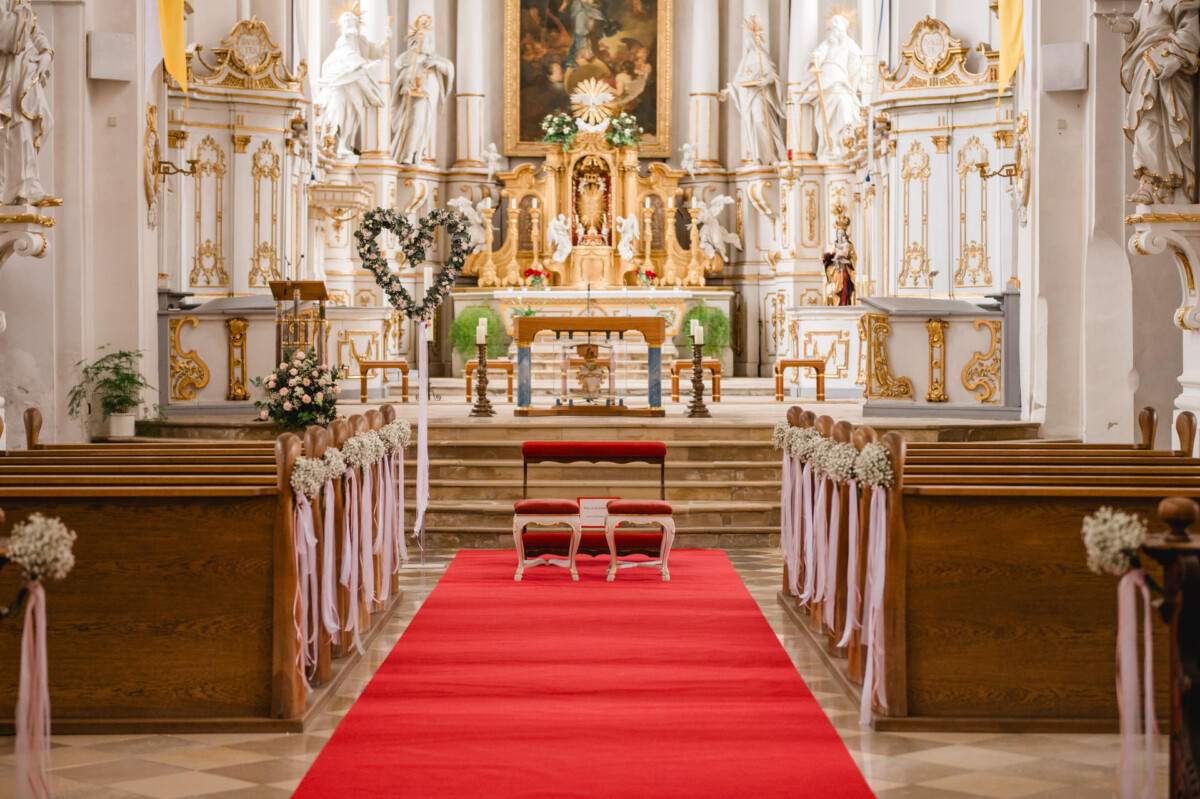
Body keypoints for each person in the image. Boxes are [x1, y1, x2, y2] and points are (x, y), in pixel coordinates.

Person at [1120, 0, 1200, 203]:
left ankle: (1167, 186)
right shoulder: (1146, 3)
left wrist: (1177, 58)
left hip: (1166, 69)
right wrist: (1126, 27)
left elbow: (1189, 27)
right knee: (1145, 124)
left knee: (1166, 127)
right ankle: (1150, 184)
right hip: (1145, 67)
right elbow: (1138, 26)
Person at [0, 0, 53, 204]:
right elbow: (8, 35)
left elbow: (34, 29)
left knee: (28, 123)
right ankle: (11, 187)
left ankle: (26, 184)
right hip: (7, 72)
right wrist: (24, 17)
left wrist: (46, 53)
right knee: (9, 128)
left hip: (24, 70)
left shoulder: (21, 3)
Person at [317, 10, 387, 156]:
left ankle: (343, 143)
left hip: (355, 84)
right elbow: (349, 57)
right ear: (342, 26)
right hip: (340, 85)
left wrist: (386, 40)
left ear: (356, 23)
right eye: (346, 22)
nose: (349, 24)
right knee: (337, 111)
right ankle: (332, 143)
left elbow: (375, 51)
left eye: (351, 21)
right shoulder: (343, 41)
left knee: (353, 113)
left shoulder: (360, 41)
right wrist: (366, 65)